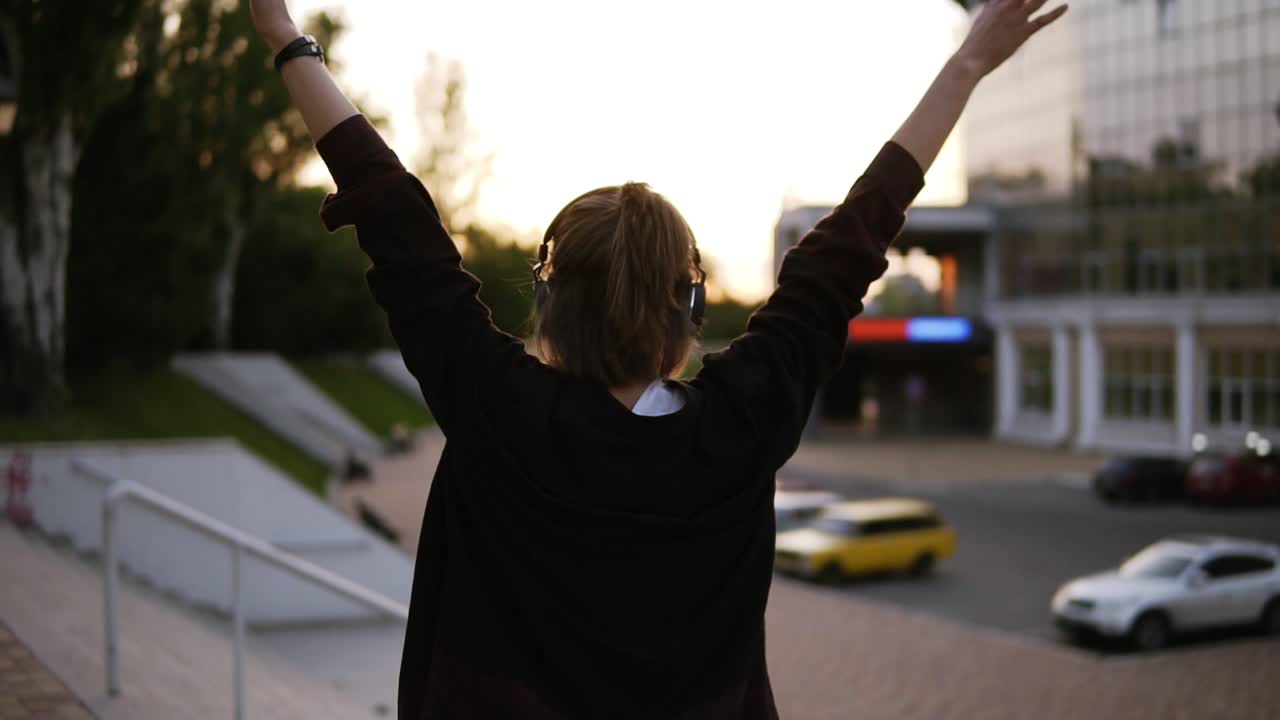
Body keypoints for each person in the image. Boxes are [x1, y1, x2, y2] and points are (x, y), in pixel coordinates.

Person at [249, 1, 1066, 717]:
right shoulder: (744, 424)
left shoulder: (498, 409)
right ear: (692, 307)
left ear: (549, 302)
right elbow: (851, 242)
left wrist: (283, 33)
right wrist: (966, 66)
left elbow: (396, 219)